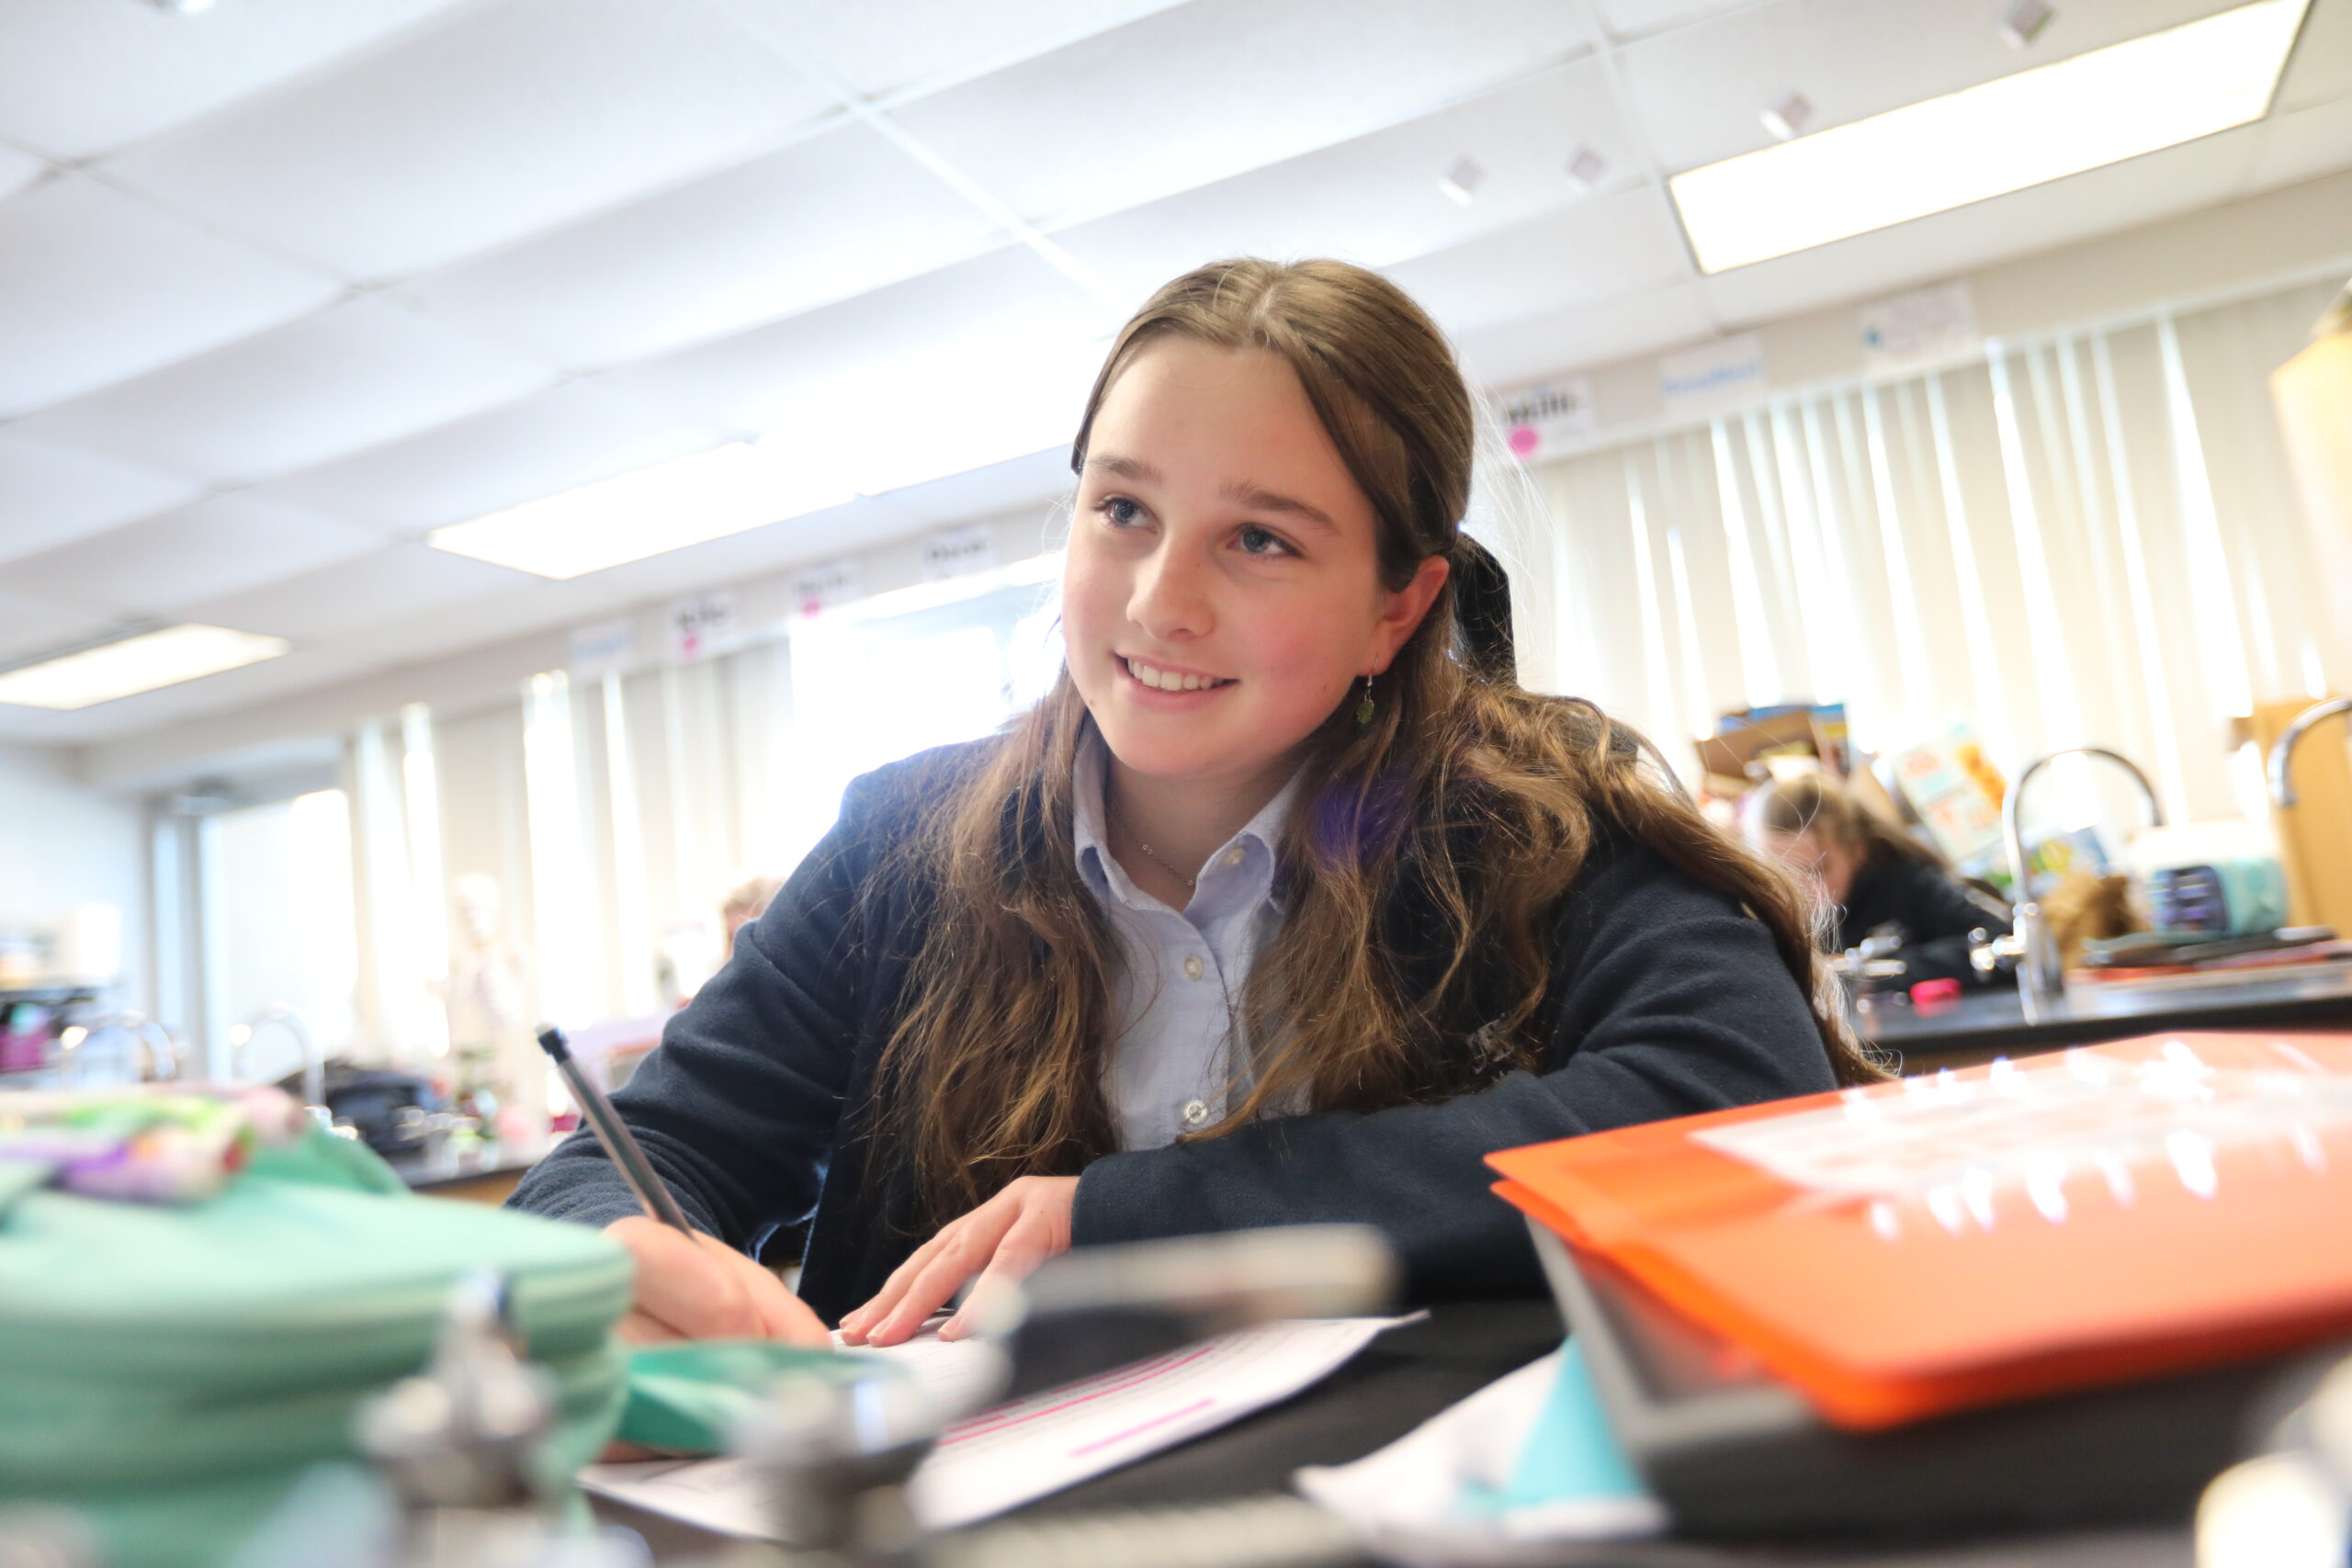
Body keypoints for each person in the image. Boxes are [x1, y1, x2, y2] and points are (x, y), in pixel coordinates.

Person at [508, 258, 1883, 1351]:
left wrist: (1129, 1220)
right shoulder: (901, 846)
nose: (1162, 599)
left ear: (1399, 606)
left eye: (1262, 538)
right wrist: (622, 1253)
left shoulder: (1531, 826)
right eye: (1123, 510)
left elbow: (1734, 1098)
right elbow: (642, 1152)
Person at [1739, 772, 2013, 987]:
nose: (1803, 891)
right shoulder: (1759, 913)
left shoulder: (1908, 882)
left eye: (1817, 871)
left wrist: (1868, 971)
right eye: (1784, 875)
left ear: (1856, 851)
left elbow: (2004, 942)